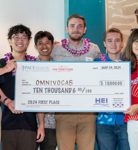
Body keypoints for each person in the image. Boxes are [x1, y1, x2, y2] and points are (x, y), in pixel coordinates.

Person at [51, 14, 101, 150]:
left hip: (88, 112)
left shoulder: (94, 49)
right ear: (67, 29)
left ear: (85, 29)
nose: (76, 29)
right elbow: (43, 69)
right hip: (64, 112)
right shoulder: (56, 49)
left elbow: (102, 74)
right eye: (72, 26)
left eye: (80, 26)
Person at [0, 24, 45, 150]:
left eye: (24, 37)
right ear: (9, 40)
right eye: (16, 37)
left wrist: (41, 124)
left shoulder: (35, 65)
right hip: (7, 126)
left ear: (29, 41)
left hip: (29, 126)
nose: (20, 40)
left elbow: (40, 96)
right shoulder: (2, 63)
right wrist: (7, 101)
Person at [95, 28, 130, 150]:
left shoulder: (130, 63)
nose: (113, 44)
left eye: (117, 40)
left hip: (126, 120)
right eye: (109, 41)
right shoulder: (96, 63)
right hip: (104, 122)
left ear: (122, 43)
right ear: (104, 44)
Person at [34, 31, 57, 150]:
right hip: (31, 123)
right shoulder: (29, 67)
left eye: (47, 43)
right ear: (35, 46)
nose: (44, 46)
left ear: (53, 45)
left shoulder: (60, 68)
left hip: (52, 123)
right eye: (40, 43)